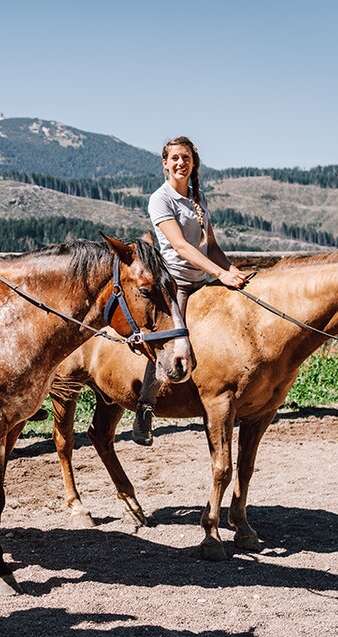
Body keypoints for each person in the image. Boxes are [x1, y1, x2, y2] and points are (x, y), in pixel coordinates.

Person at [132, 136, 248, 446]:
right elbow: (182, 246)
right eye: (175, 158)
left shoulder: (198, 198)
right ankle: (145, 406)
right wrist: (220, 273)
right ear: (165, 163)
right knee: (169, 339)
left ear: (193, 162)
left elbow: (210, 246)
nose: (181, 162)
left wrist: (231, 268)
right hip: (177, 284)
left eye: (186, 157)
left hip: (205, 279)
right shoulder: (161, 199)